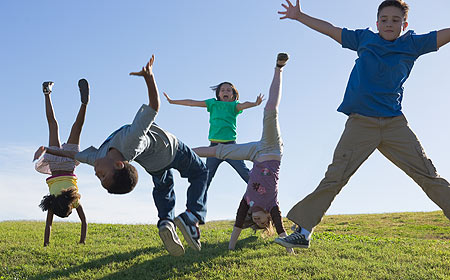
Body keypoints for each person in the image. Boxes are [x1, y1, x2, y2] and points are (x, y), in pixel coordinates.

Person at [275, 0, 450, 249]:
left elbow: (443, 35)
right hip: (361, 123)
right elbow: (330, 29)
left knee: (428, 174)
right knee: (335, 176)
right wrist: (300, 16)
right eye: (384, 19)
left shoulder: (412, 44)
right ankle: (303, 231)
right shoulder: (364, 39)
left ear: (405, 24)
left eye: (395, 20)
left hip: (394, 125)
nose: (389, 24)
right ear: (376, 22)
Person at [34, 55, 209, 257]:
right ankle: (192, 216)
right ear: (118, 165)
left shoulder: (97, 158)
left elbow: (71, 153)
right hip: (173, 150)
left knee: (163, 187)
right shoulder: (130, 141)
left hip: (155, 165)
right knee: (200, 173)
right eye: (103, 176)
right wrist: (149, 77)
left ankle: (166, 221)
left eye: (99, 178)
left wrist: (49, 150)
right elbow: (154, 108)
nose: (97, 174)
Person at [193, 53, 293, 253]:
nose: (256, 218)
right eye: (260, 220)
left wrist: (231, 248)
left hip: (254, 154)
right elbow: (282, 231)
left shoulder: (247, 201)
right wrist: (290, 249)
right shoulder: (272, 205)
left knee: (217, 151)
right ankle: (279, 68)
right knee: (270, 110)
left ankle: (177, 151)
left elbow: (238, 225)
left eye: (254, 220)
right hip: (271, 148)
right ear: (268, 217)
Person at [163, 82, 263, 196]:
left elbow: (244, 104)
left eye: (228, 90)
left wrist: (255, 103)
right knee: (206, 178)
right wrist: (173, 101)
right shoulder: (213, 104)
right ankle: (197, 208)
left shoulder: (234, 106)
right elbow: (192, 103)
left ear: (233, 95)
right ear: (218, 94)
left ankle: (264, 193)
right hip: (213, 149)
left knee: (244, 173)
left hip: (231, 147)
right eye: (223, 90)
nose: (225, 92)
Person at [34, 79, 89, 246]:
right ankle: (47, 93)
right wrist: (45, 244)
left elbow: (84, 222)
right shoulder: (52, 201)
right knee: (53, 125)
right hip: (55, 164)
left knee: (77, 127)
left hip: (69, 162)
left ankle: (84, 104)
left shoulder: (74, 200)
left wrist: (82, 241)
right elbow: (48, 225)